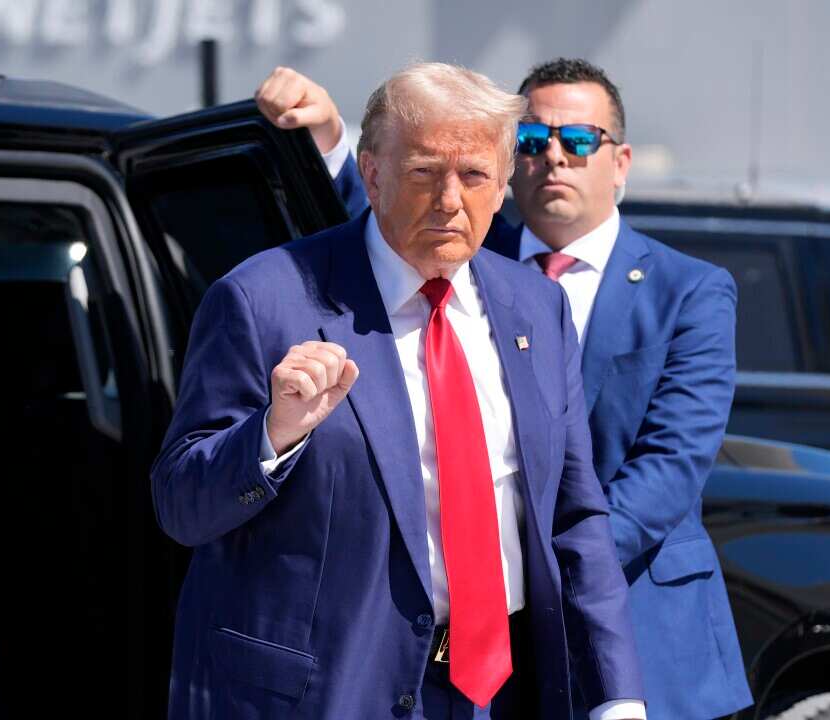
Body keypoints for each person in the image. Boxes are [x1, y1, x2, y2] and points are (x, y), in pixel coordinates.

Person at [258, 58, 752, 719]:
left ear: (622, 162)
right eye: (531, 141)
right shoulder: (460, 256)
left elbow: (672, 464)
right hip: (490, 640)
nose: (553, 158)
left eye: (579, 141)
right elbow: (382, 219)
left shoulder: (688, 290)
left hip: (637, 621)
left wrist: (553, 566)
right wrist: (328, 139)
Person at [155, 62, 646, 719]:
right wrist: (274, 434)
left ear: (502, 185)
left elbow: (575, 518)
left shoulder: (535, 307)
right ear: (374, 172)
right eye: (423, 172)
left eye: (473, 175)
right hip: (326, 694)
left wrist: (616, 695)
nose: (450, 200)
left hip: (499, 696)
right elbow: (181, 504)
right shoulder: (264, 299)